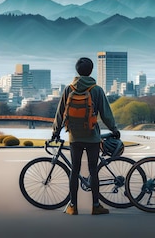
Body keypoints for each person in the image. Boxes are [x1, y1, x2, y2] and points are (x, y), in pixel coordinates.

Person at [51, 57, 120, 216]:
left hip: (75, 136)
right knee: (93, 170)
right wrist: (114, 129)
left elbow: (60, 113)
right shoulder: (96, 89)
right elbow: (106, 114)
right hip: (92, 136)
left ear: (77, 71)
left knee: (74, 170)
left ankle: (73, 206)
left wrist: (55, 132)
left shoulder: (69, 89)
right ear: (91, 71)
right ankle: (96, 206)